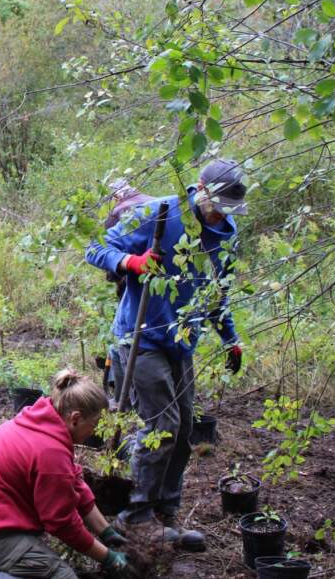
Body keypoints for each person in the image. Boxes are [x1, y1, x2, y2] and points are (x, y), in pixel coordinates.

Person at [85, 158, 248, 547]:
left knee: (185, 428)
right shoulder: (158, 213)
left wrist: (230, 337)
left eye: (227, 209)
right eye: (216, 205)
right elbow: (96, 248)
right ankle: (135, 514)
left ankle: (165, 512)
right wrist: (131, 261)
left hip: (182, 342)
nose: (219, 214)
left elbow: (216, 294)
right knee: (161, 427)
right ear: (201, 189)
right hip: (140, 339)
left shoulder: (226, 235)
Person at [0, 370, 136, 579]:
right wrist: (109, 559)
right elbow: (62, 523)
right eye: (95, 425)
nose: (95, 432)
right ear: (75, 418)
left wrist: (107, 533)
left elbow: (74, 481)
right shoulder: (49, 452)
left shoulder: (44, 422)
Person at [101, 180, 153, 403]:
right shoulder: (151, 203)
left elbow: (108, 254)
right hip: (154, 276)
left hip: (134, 275)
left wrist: (119, 275)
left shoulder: (119, 213)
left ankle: (124, 399)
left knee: (124, 338)